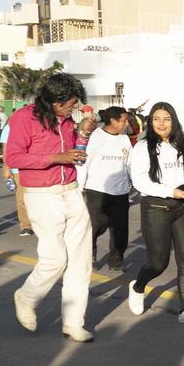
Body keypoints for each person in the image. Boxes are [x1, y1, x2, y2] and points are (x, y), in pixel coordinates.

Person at [6, 73, 93, 341]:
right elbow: (13, 157)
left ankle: (73, 322)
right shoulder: (23, 117)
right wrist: (57, 157)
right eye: (70, 103)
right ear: (55, 100)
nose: (73, 108)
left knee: (81, 261)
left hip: (71, 191)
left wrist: (84, 134)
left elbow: (74, 155)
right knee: (55, 259)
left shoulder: (67, 121)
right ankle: (26, 296)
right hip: (42, 194)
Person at [126, 102, 184, 326]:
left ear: (174, 121)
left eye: (167, 119)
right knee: (158, 262)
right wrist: (170, 191)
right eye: (156, 119)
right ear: (151, 122)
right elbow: (140, 180)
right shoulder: (142, 147)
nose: (162, 124)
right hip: (156, 207)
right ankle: (138, 286)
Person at [79, 106, 133, 269]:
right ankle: (89, 255)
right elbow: (84, 162)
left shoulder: (124, 138)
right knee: (97, 224)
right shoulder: (95, 137)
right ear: (112, 120)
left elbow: (129, 162)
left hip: (121, 191)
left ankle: (116, 261)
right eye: (123, 120)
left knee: (120, 229)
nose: (126, 123)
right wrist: (80, 186)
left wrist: (134, 181)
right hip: (98, 189)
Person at [0, 117, 33, 237]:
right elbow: (6, 149)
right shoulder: (9, 128)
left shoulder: (33, 125)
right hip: (18, 168)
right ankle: (26, 225)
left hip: (33, 165)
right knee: (22, 197)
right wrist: (7, 167)